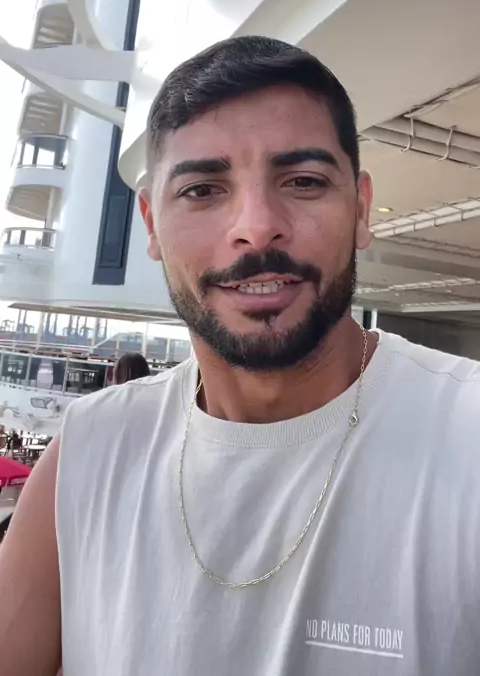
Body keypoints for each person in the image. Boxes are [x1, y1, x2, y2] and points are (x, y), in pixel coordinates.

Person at [1, 35, 480, 676]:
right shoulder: (90, 450)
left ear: (362, 209)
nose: (256, 226)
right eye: (202, 189)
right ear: (151, 222)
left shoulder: (467, 433)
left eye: (304, 181)